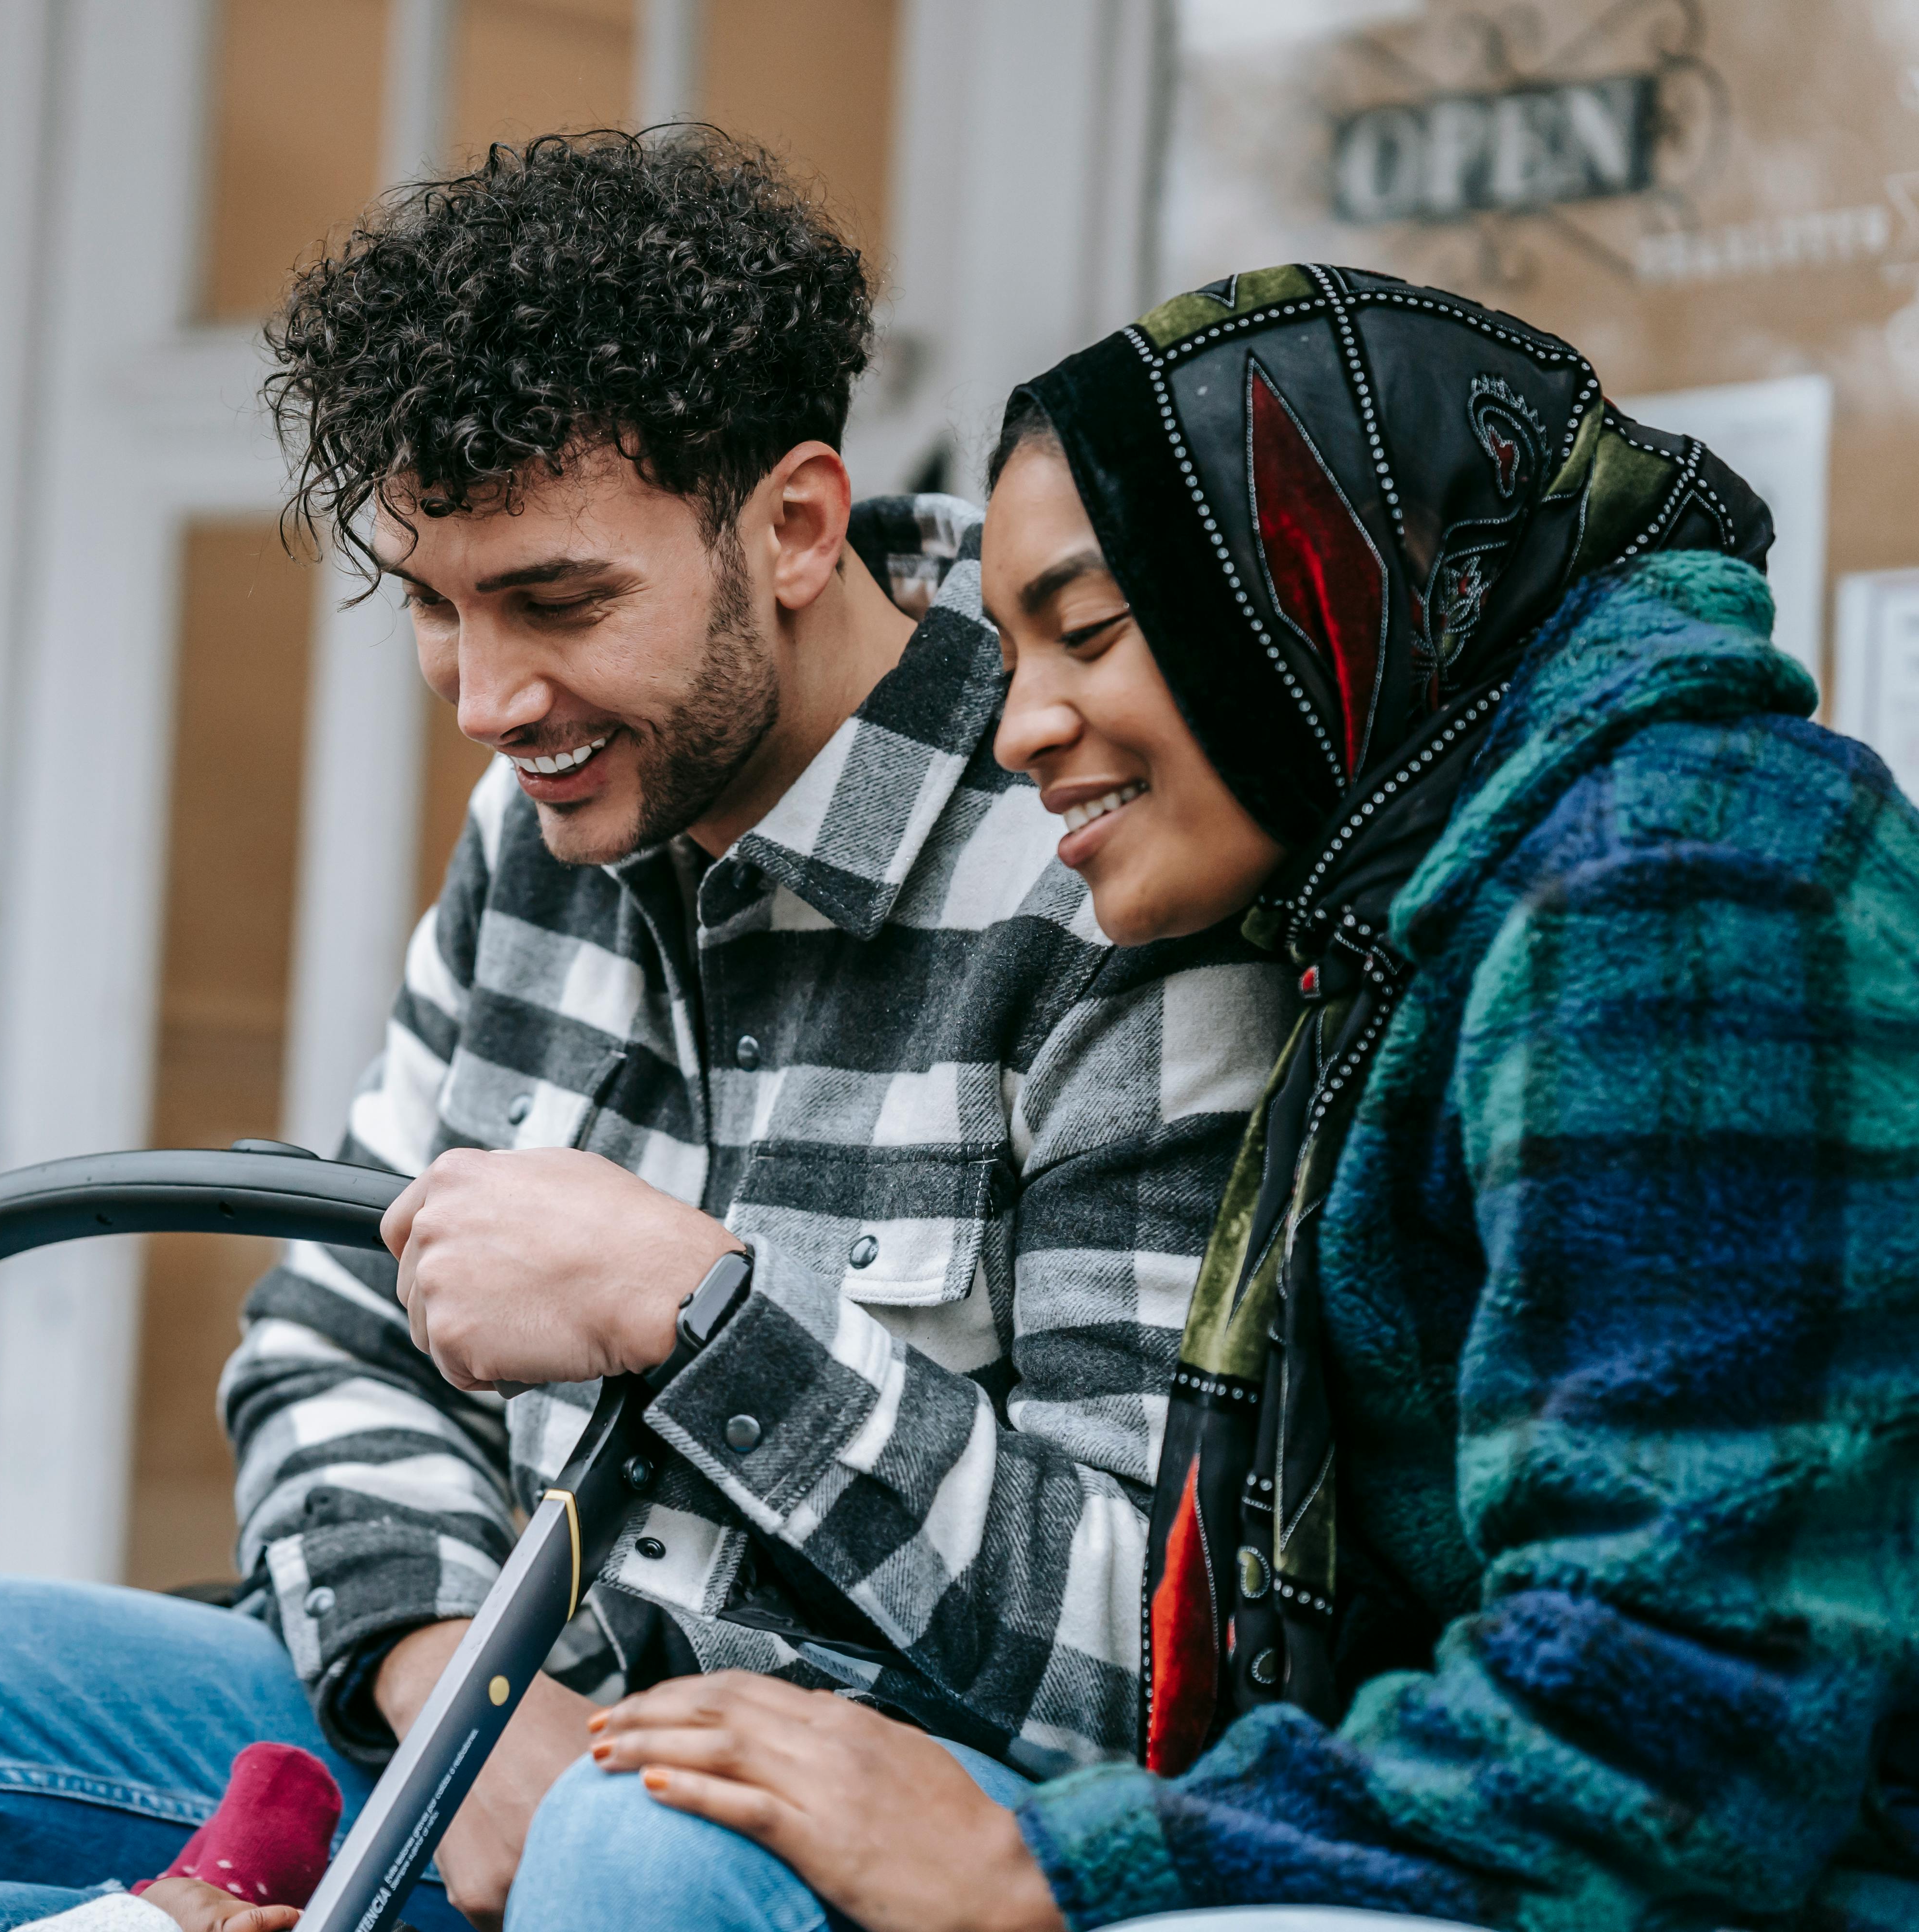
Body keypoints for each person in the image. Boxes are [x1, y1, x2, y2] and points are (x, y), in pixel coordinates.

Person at [0, 132, 1290, 1931]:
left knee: (633, 1851)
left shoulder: (1102, 866)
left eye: (555, 602)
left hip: (825, 1831)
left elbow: (1144, 1660)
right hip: (497, 1728)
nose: (486, 702)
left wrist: (700, 1316)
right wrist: (451, 1676)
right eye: (435, 608)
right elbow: (326, 1335)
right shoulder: (541, 827)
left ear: (791, 526)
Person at [580, 264, 1919, 1931]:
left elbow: (1675, 1723)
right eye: (1007, 651)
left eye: (1091, 630)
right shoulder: (1416, 908)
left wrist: (1038, 1867)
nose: (1022, 728)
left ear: (1326, 580)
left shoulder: (1684, 884)